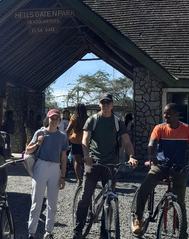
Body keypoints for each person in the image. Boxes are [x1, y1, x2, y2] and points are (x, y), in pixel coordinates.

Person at [73, 94, 138, 239]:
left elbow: (126, 141)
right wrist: (86, 156)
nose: (106, 105)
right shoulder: (93, 120)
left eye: (108, 102)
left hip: (111, 164)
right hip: (94, 163)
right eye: (103, 102)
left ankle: (105, 231)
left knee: (109, 197)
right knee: (85, 196)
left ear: (112, 104)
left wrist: (131, 156)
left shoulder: (117, 121)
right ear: (99, 104)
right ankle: (78, 227)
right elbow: (85, 140)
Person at [132, 103, 189, 239]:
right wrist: (151, 155)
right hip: (160, 166)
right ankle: (138, 219)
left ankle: (182, 231)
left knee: (180, 202)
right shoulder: (160, 128)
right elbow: (152, 144)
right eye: (164, 113)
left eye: (168, 114)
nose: (165, 116)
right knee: (143, 189)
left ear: (176, 115)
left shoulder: (187, 129)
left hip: (179, 168)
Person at [26, 109, 69, 239]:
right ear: (48, 119)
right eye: (52, 118)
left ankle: (48, 232)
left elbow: (63, 157)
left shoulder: (62, 136)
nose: (55, 120)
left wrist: (63, 176)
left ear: (59, 120)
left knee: (52, 202)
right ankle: (31, 232)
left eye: (57, 118)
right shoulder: (40, 132)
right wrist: (38, 143)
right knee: (36, 200)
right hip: (41, 164)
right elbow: (28, 149)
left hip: (55, 168)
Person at [65, 104, 88, 184]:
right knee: (86, 161)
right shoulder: (87, 119)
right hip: (85, 142)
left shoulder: (74, 118)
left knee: (77, 161)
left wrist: (67, 140)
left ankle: (79, 179)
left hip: (75, 141)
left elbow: (68, 130)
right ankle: (86, 178)